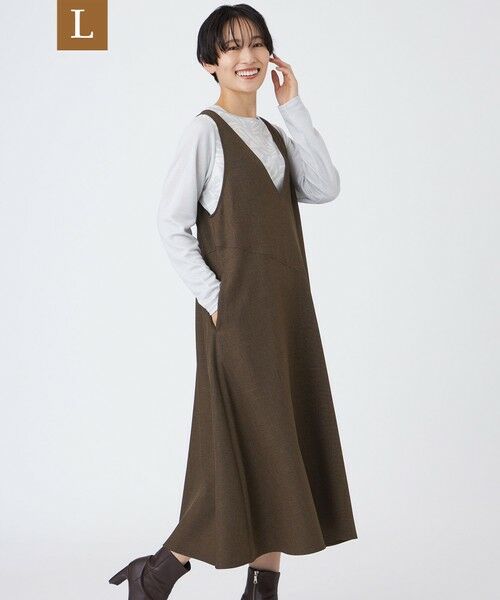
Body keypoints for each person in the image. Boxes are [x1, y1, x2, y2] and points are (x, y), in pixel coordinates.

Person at [109, 4, 357, 599]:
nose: (247, 57)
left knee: (282, 439)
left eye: (256, 44)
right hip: (238, 318)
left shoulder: (274, 135)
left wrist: (293, 107)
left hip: (287, 315)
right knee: (246, 443)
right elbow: (171, 225)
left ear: (270, 53)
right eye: (231, 48)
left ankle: (262, 586)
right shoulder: (205, 132)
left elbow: (325, 187)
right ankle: (161, 569)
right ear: (210, 64)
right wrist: (217, 299)